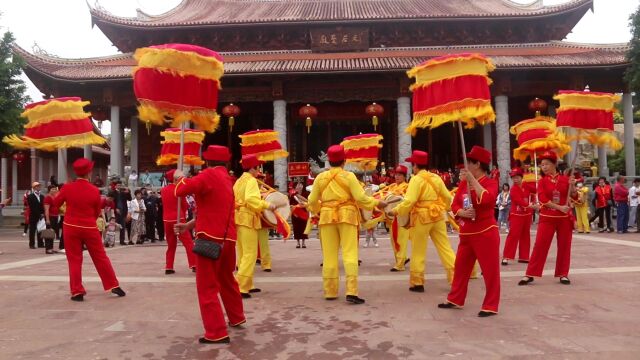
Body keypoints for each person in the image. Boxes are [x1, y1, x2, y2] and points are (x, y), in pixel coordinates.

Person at [174, 145, 245, 344]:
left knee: (207, 286)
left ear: (207, 161)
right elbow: (213, 209)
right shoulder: (228, 180)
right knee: (227, 281)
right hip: (228, 240)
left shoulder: (208, 176)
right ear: (226, 162)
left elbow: (180, 190)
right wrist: (189, 224)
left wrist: (179, 176)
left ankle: (216, 332)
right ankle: (237, 316)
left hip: (209, 239)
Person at [307, 145, 386, 304]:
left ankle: (330, 291)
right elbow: (361, 198)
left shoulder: (320, 178)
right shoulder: (349, 176)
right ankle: (351, 291)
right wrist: (377, 203)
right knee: (350, 254)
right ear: (344, 161)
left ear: (328, 161)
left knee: (329, 256)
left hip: (327, 217)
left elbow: (312, 201)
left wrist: (318, 211)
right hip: (347, 215)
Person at [438, 146, 500, 317]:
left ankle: (490, 305)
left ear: (477, 164)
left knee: (490, 271)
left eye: (468, 163)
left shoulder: (490, 182)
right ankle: (455, 299)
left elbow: (487, 199)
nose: (464, 168)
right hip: (466, 233)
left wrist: (473, 180)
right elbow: (455, 204)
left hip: (485, 233)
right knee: (461, 268)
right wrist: (461, 213)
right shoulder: (463, 184)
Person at [52, 158, 125, 301]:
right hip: (89, 226)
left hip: (71, 226)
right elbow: (96, 211)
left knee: (74, 259)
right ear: (89, 172)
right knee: (100, 257)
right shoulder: (94, 190)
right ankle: (113, 285)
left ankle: (77, 291)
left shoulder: (67, 187)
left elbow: (56, 204)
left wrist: (60, 193)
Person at [393, 151, 456, 289]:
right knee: (445, 247)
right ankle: (456, 278)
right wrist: (449, 208)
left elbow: (410, 201)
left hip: (421, 217)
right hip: (437, 215)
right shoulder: (436, 178)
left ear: (415, 165)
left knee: (418, 250)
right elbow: (446, 196)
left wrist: (396, 210)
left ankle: (417, 282)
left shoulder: (416, 179)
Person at [519, 151, 576, 286]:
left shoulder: (565, 179)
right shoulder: (542, 181)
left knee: (564, 246)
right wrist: (559, 207)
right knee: (540, 245)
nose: (543, 167)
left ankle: (563, 274)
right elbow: (543, 199)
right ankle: (530, 274)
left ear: (554, 164)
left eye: (546, 164)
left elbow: (575, 196)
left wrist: (572, 185)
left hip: (564, 218)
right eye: (542, 165)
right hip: (547, 217)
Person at [233, 154, 275, 298]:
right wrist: (267, 204)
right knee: (250, 254)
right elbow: (251, 200)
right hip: (248, 218)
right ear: (252, 168)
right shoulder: (251, 181)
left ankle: (248, 284)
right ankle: (241, 285)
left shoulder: (239, 181)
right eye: (257, 168)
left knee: (243, 253)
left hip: (239, 217)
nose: (259, 171)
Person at [161, 169, 195, 274]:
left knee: (171, 245)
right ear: (176, 178)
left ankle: (169, 266)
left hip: (167, 219)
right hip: (179, 219)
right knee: (188, 243)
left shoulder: (163, 190)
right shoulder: (179, 189)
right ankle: (194, 264)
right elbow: (184, 205)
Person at [502, 168, 536, 265]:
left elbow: (536, 191)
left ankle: (524, 256)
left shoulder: (527, 186)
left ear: (521, 177)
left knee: (525, 235)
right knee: (513, 235)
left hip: (527, 214)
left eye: (517, 177)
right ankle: (506, 256)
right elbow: (518, 201)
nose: (515, 180)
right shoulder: (513, 189)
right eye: (513, 178)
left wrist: (539, 183)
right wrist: (529, 205)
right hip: (516, 214)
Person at [384, 165, 410, 272]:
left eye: (400, 175)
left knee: (401, 240)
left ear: (404, 176)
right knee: (394, 241)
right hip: (391, 218)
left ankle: (400, 264)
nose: (397, 177)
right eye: (396, 174)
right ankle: (401, 259)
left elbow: (407, 200)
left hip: (402, 217)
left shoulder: (408, 187)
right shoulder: (391, 187)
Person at [289, 182, 309, 249]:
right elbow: (290, 205)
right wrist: (295, 207)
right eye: (298, 185)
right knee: (296, 228)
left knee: (303, 228)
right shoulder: (292, 195)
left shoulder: (305, 194)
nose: (300, 186)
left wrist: (303, 204)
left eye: (301, 185)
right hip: (295, 214)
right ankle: (298, 243)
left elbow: (308, 202)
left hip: (303, 213)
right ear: (296, 187)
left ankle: (303, 243)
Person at [43, 185, 61, 254]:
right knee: (49, 233)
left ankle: (51, 248)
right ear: (49, 190)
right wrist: (47, 219)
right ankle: (48, 249)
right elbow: (46, 210)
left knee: (52, 233)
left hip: (55, 217)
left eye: (55, 189)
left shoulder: (54, 197)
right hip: (50, 217)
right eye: (52, 189)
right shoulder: (47, 198)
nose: (54, 190)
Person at [27, 182, 45, 249]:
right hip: (33, 216)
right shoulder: (30, 196)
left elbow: (43, 206)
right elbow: (32, 207)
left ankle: (40, 243)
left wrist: (43, 213)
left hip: (41, 216)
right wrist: (39, 214)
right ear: (34, 188)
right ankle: (31, 244)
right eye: (37, 186)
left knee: (40, 230)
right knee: (32, 231)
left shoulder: (42, 196)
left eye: (39, 186)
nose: (38, 187)